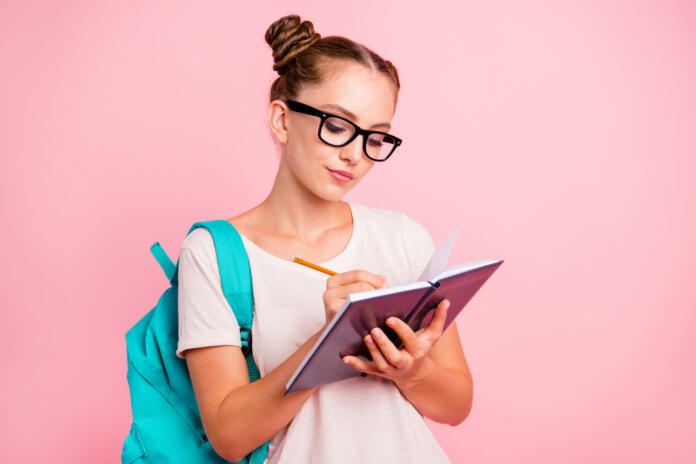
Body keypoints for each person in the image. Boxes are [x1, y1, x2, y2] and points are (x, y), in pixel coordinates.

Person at [175, 14, 473, 463]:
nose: (355, 154)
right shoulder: (214, 253)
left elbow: (456, 405)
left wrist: (411, 371)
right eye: (337, 125)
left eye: (376, 137)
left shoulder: (403, 238)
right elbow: (230, 436)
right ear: (282, 120)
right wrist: (331, 341)